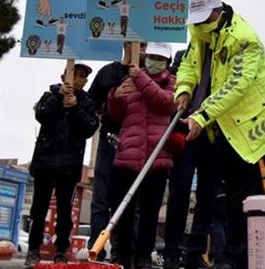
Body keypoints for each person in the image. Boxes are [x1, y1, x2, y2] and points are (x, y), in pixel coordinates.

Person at [176, 0, 265, 269]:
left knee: (245, 195)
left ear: (219, 12)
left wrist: (201, 115)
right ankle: (227, 256)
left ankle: (242, 259)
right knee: (221, 197)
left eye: (204, 19)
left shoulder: (244, 39)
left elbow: (236, 85)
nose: (200, 25)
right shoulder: (200, 32)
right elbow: (189, 66)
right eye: (196, 21)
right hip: (221, 126)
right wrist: (183, 90)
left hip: (252, 128)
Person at [108, 43, 178, 268]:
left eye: (160, 58)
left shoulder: (173, 82)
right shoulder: (131, 79)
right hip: (127, 157)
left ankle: (143, 256)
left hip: (156, 159)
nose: (154, 61)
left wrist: (140, 77)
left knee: (149, 213)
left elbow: (166, 103)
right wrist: (115, 97)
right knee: (123, 212)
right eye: (151, 56)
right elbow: (117, 115)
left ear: (167, 62)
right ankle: (122, 255)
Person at [24, 64, 98, 266]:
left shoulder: (87, 103)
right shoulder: (49, 95)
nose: (78, 80)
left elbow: (90, 128)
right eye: (75, 75)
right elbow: (43, 116)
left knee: (65, 210)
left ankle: (61, 250)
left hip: (70, 165)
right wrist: (59, 98)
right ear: (64, 76)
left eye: (83, 77)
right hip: (45, 162)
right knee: (39, 209)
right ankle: (33, 249)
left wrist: (75, 107)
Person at [87, 42, 146, 262]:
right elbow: (90, 104)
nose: (142, 49)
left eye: (145, 45)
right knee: (101, 201)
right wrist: (110, 101)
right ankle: (97, 252)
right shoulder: (107, 72)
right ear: (126, 44)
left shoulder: (146, 74)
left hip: (137, 147)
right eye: (138, 44)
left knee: (132, 203)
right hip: (108, 145)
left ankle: (123, 255)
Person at [161, 50, 220, 269]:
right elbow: (174, 80)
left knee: (207, 194)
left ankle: (195, 251)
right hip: (184, 130)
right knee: (180, 190)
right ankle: (172, 251)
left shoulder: (223, 56)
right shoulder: (184, 55)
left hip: (212, 132)